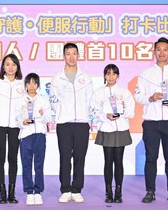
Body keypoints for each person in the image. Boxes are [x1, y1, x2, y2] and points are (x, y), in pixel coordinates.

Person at [134, 37, 168, 204]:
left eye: (165, 49)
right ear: (154, 51)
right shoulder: (146, 74)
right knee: (151, 157)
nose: (162, 53)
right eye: (159, 49)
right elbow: (138, 96)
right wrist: (150, 98)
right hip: (151, 121)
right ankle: (150, 191)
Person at [49, 42, 93, 203]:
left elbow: (90, 100)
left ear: (78, 55)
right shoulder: (56, 79)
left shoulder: (86, 78)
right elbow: (53, 101)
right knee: (65, 157)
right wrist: (62, 113)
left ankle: (77, 189)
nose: (71, 57)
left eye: (74, 53)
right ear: (64, 56)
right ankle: (65, 188)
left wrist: (87, 116)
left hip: (82, 123)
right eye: (68, 54)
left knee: (80, 157)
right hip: (64, 123)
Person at [91, 64, 135, 203]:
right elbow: (93, 110)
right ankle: (108, 191)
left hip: (121, 129)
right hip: (106, 129)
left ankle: (119, 191)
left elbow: (131, 112)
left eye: (114, 74)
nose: (111, 76)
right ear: (104, 76)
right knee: (108, 161)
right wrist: (106, 116)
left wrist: (121, 109)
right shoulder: (98, 92)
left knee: (119, 161)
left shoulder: (124, 92)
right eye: (108, 73)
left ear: (118, 76)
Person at [0, 53, 25, 204]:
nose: (10, 67)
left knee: (13, 158)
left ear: (17, 67)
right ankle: (2, 193)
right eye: (7, 64)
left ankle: (12, 193)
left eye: (13, 64)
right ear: (3, 67)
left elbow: (25, 107)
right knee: (0, 158)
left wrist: (24, 123)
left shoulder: (22, 84)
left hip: (16, 126)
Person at [16, 73, 52, 205]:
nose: (32, 85)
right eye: (29, 83)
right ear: (25, 84)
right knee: (26, 164)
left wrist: (42, 115)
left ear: (38, 85)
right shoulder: (20, 100)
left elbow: (49, 118)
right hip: (26, 135)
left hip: (40, 135)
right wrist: (23, 122)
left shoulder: (43, 99)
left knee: (39, 164)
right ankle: (29, 192)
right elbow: (16, 119)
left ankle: (38, 191)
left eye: (34, 83)